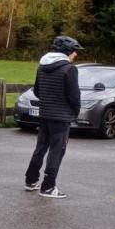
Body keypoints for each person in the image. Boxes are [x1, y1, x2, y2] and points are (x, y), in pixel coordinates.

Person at [24, 36, 83, 199]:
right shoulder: (69, 69)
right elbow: (74, 96)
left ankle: (30, 180)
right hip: (61, 117)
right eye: (75, 51)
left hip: (45, 114)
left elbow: (37, 91)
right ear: (68, 52)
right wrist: (75, 112)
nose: (76, 55)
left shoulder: (42, 67)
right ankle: (48, 187)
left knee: (41, 147)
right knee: (57, 151)